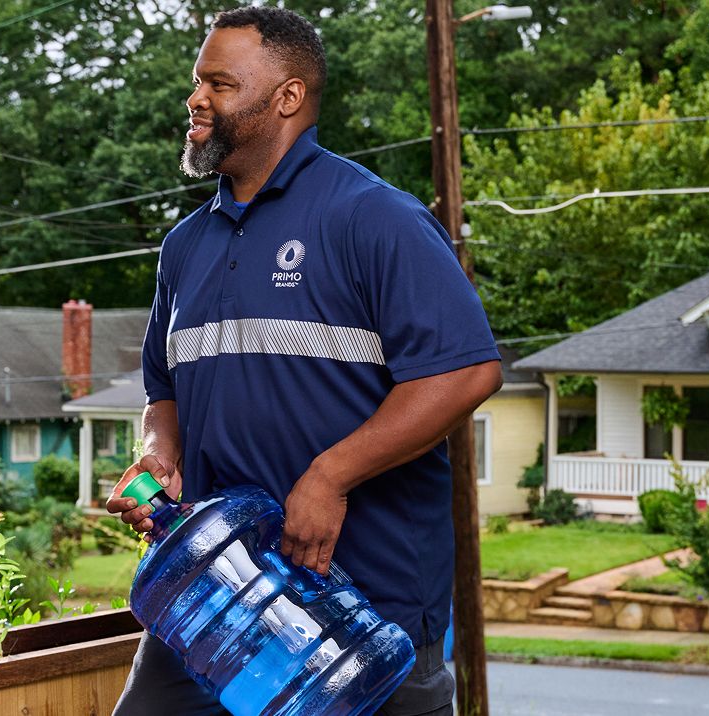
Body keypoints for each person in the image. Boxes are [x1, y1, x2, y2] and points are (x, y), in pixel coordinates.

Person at [106, 6, 501, 715]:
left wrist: (330, 476)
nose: (195, 99)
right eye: (197, 82)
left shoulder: (373, 217)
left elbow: (465, 372)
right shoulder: (184, 247)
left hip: (361, 614)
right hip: (217, 595)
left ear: (287, 97)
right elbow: (163, 389)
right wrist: (159, 451)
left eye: (219, 84)